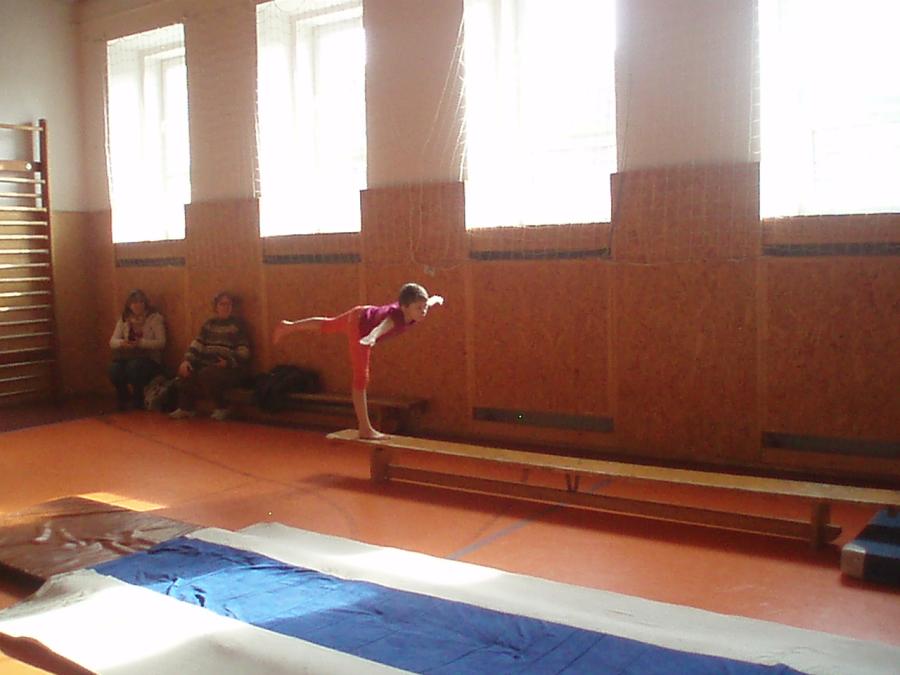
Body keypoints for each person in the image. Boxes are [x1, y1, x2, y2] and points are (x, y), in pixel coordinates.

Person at [273, 282, 443, 439]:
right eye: (419, 308)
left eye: (424, 307)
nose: (423, 311)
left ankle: (289, 326)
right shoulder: (395, 318)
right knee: (361, 377)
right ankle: (365, 428)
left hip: (360, 313)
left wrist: (435, 300)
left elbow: (427, 302)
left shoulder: (413, 309)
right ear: (404, 307)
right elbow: (382, 327)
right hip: (361, 328)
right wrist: (371, 338)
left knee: (329, 325)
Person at [170, 291, 251, 421]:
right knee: (186, 370)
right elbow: (198, 343)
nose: (226, 307)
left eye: (228, 304)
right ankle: (186, 408)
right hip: (207, 364)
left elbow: (244, 351)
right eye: (222, 304)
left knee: (208, 375)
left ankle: (222, 407)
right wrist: (187, 360)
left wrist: (228, 362)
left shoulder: (238, 325)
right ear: (216, 307)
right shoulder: (209, 324)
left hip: (230, 368)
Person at [108, 289, 166, 410]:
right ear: (129, 305)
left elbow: (161, 342)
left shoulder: (154, 318)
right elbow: (112, 341)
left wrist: (141, 343)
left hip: (149, 358)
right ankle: (123, 396)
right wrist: (122, 343)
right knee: (114, 369)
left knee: (134, 367)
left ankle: (138, 397)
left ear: (145, 303)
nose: (138, 305)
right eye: (134, 302)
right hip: (127, 356)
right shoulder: (124, 319)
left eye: (141, 302)